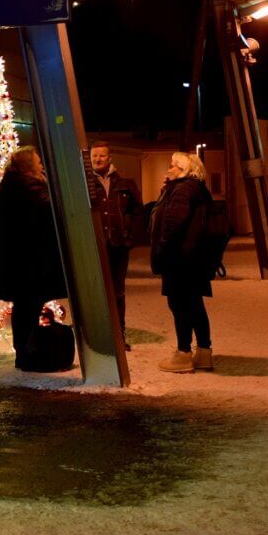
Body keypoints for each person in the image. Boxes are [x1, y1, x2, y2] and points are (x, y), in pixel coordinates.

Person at [0, 146, 68, 369]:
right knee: (27, 308)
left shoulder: (14, 186)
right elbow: (51, 212)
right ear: (28, 167)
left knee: (25, 309)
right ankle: (27, 355)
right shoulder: (29, 187)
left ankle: (25, 354)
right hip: (27, 265)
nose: (42, 166)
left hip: (17, 263)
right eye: (38, 162)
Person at [150, 151, 214, 373]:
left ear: (183, 170)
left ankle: (183, 354)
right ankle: (204, 352)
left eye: (171, 166)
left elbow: (172, 223)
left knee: (179, 305)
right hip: (195, 259)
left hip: (180, 260)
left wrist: (162, 249)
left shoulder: (182, 190)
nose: (168, 169)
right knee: (195, 304)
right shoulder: (197, 188)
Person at [89, 141, 142, 350]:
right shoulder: (85, 184)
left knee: (118, 292)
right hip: (95, 247)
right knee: (97, 292)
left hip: (118, 246)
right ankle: (99, 336)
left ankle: (119, 336)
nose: (98, 159)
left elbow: (138, 212)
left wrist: (130, 237)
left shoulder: (125, 184)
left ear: (110, 158)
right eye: (94, 156)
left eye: (101, 156)